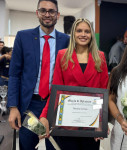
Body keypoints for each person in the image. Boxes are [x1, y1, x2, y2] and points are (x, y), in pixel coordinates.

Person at [7, 0, 69, 149]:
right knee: (28, 145)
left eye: (51, 11)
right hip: (30, 107)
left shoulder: (67, 41)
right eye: (43, 10)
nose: (47, 14)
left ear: (58, 15)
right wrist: (13, 107)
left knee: (54, 146)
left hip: (56, 105)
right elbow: (15, 74)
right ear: (37, 13)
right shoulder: (23, 37)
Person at [39, 18, 109, 150]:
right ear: (73, 33)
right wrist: (44, 115)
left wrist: (102, 122)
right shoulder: (63, 55)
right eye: (79, 31)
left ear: (91, 35)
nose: (83, 34)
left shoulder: (100, 57)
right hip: (67, 122)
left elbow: (103, 90)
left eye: (87, 31)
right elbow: (56, 89)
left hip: (91, 122)